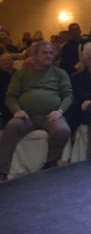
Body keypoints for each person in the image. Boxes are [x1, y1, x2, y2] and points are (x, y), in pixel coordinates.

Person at [0, 42, 73, 182]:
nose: (49, 56)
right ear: (34, 56)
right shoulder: (22, 74)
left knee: (63, 130)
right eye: (44, 53)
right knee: (11, 127)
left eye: (51, 53)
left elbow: (68, 95)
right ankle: (2, 170)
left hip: (51, 115)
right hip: (27, 115)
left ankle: (51, 164)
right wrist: (16, 110)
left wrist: (60, 111)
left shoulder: (60, 73)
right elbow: (10, 96)